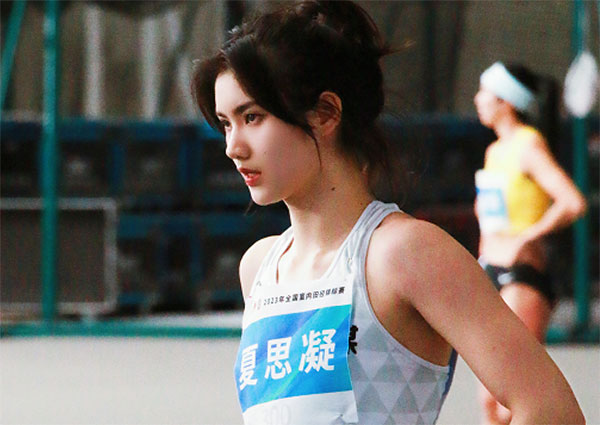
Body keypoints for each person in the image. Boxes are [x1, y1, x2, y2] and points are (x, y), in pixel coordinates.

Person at [192, 2, 585, 424]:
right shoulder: (259, 267)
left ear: (326, 113)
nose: (233, 147)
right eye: (225, 123)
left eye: (252, 117)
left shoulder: (404, 252)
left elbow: (551, 410)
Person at [474, 62, 587, 425]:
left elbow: (572, 202)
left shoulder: (528, 145)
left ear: (505, 101)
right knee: (490, 400)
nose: (477, 99)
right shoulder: (495, 152)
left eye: (484, 92)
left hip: (522, 275)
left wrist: (526, 236)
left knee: (513, 396)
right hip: (491, 271)